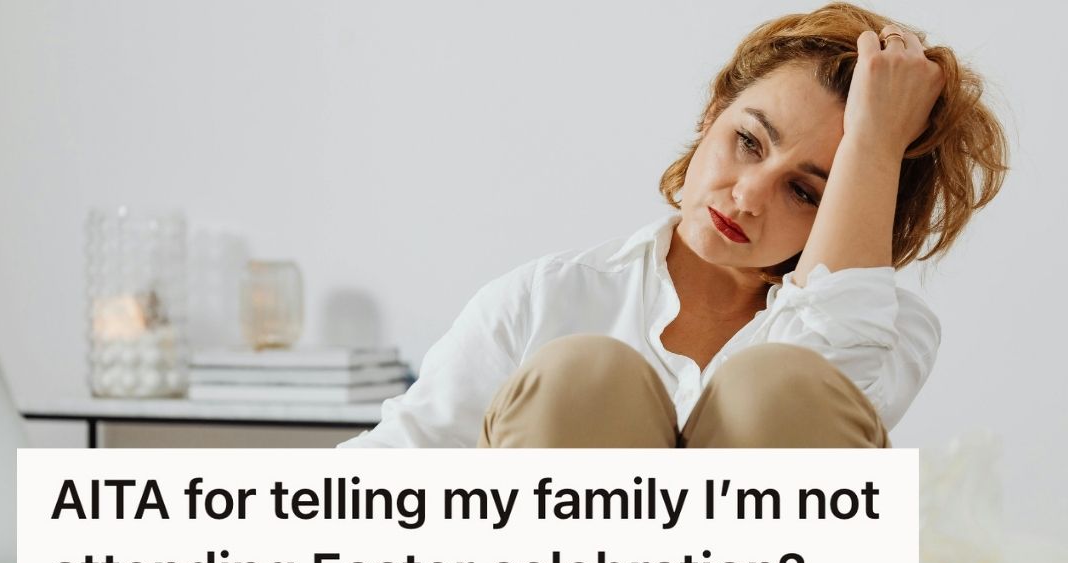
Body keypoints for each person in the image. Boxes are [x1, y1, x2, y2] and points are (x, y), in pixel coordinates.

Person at [339, 2, 1008, 449]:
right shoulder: (543, 299)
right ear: (713, 112)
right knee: (584, 375)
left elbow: (814, 422)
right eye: (748, 141)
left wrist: (875, 143)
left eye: (805, 191)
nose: (747, 196)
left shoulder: (889, 333)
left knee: (777, 384)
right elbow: (383, 481)